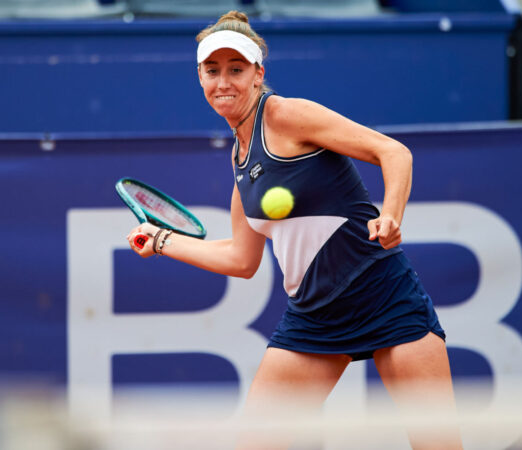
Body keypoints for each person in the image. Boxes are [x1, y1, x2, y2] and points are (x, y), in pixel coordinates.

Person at [127, 10, 462, 450]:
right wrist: (162, 240)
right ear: (200, 78)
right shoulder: (239, 160)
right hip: (313, 317)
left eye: (236, 69)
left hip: (383, 296)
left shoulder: (286, 114)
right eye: (212, 71)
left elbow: (393, 152)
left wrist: (392, 213)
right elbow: (241, 260)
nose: (223, 81)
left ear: (257, 74)